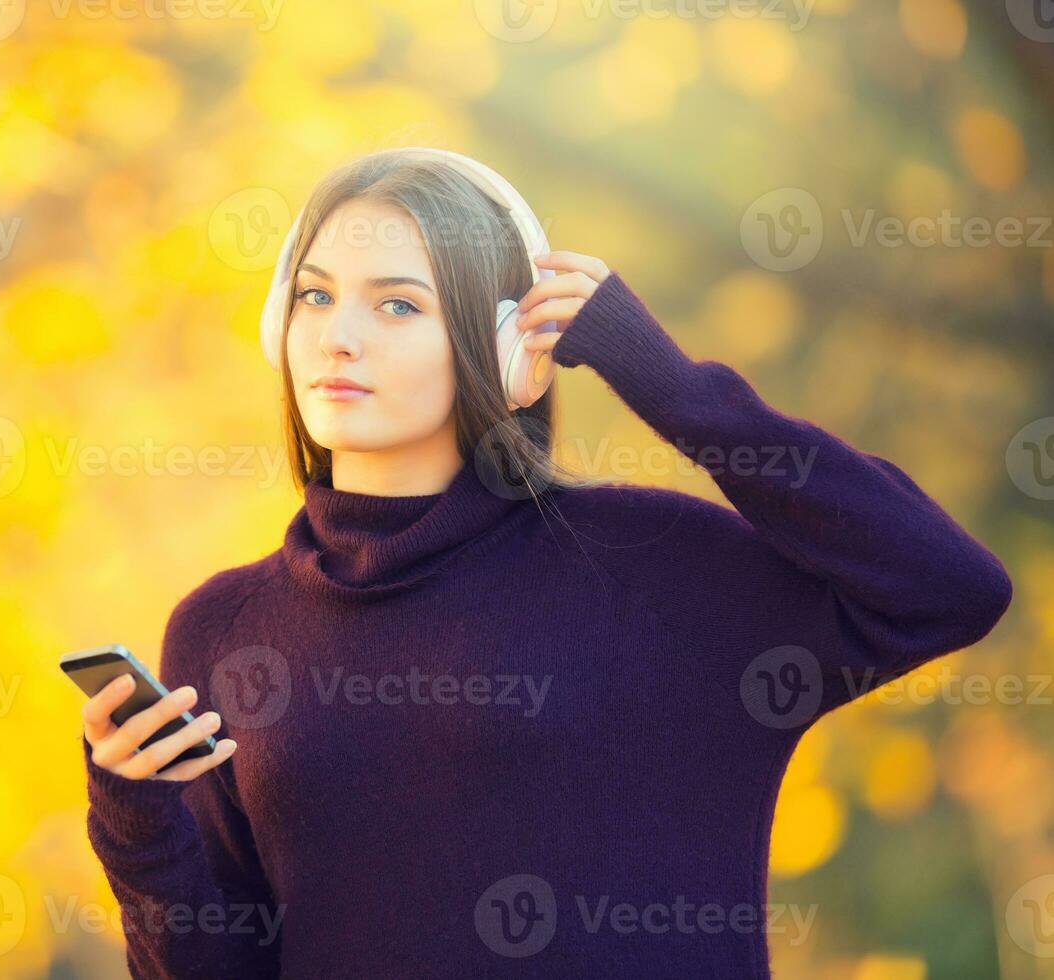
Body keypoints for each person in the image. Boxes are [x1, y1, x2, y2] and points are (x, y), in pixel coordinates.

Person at [78, 147, 1014, 978]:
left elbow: (947, 587)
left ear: (508, 342)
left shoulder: (654, 568)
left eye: (398, 303)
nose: (338, 335)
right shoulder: (221, 629)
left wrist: (670, 384)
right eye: (316, 296)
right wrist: (135, 821)